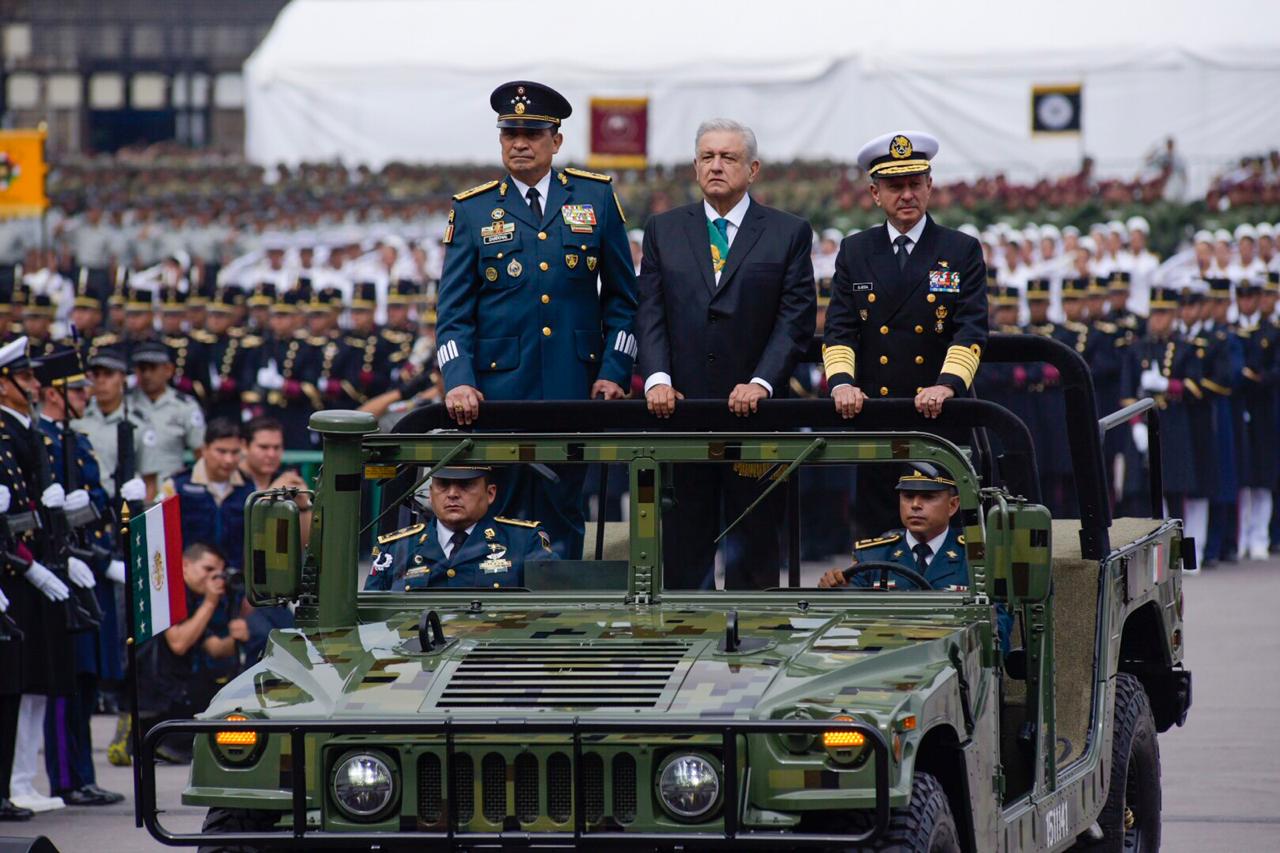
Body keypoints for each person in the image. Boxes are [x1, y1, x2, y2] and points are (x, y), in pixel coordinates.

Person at [435, 81, 638, 559]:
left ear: (556, 141)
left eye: (532, 134)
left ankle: (562, 605)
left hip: (574, 388)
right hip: (496, 395)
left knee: (563, 516)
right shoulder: (474, 209)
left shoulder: (595, 198)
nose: (520, 144)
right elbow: (452, 313)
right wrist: (458, 380)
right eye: (510, 134)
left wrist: (614, 371)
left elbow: (624, 301)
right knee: (496, 518)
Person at [636, 118, 816, 588]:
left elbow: (795, 319)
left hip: (756, 419)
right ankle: (685, 633)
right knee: (683, 551)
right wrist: (657, 379)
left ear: (752, 169)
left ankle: (755, 636)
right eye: (707, 157)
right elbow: (650, 312)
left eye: (728, 157)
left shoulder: (787, 232)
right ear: (695, 166)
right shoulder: (663, 230)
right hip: (680, 414)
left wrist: (761, 381)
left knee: (755, 548)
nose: (716, 166)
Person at [822, 131, 988, 419]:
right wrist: (842, 384)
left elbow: (971, 327)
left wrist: (948, 384)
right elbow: (839, 328)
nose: (907, 195)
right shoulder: (855, 251)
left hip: (938, 408)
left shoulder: (961, 250)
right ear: (875, 194)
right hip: (871, 407)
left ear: (929, 186)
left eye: (915, 184)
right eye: (896, 187)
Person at [136, 543, 249, 764]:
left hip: (178, 688)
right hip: (156, 694)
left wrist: (238, 637)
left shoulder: (194, 600)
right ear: (185, 565)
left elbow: (215, 648)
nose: (213, 578)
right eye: (208, 569)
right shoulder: (167, 593)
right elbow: (178, 643)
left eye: (219, 573)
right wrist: (210, 602)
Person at [364, 466, 557, 591]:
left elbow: (550, 611)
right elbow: (370, 620)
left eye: (465, 485)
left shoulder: (524, 542)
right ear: (431, 494)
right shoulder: (394, 549)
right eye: (443, 484)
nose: (452, 494)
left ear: (490, 494)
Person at [818, 465, 969, 591]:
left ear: (952, 505)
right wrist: (836, 589)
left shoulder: (972, 557)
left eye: (928, 496)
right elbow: (852, 610)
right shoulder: (871, 556)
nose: (915, 505)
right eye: (908, 496)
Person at [160, 418, 257, 577]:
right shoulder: (176, 486)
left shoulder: (249, 489)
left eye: (235, 452)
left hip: (234, 579)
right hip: (187, 578)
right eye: (221, 451)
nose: (228, 460)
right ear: (205, 449)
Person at [129, 340, 206, 497]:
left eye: (153, 368)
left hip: (172, 489)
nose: (147, 375)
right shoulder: (125, 404)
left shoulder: (184, 406)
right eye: (142, 369)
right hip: (132, 489)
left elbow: (201, 453)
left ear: (168, 370)